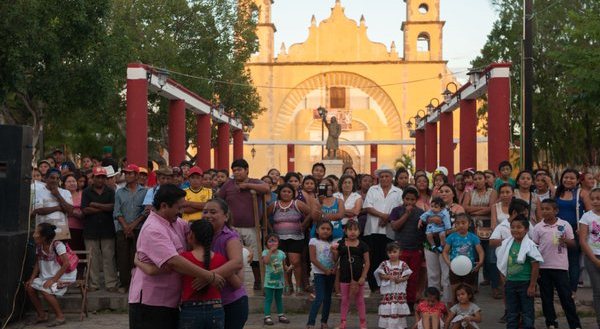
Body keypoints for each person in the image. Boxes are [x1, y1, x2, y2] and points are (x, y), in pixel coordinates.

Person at [129, 185, 225, 329]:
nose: (182, 212)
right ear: (164, 206)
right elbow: (174, 261)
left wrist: (229, 233)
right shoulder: (153, 229)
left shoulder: (175, 222)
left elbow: (198, 232)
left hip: (170, 301)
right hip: (151, 302)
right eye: (179, 208)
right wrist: (209, 276)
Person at [218, 159, 270, 291]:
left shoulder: (255, 181)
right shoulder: (228, 185)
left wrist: (248, 186)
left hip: (252, 226)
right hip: (232, 227)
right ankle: (233, 280)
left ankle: (258, 281)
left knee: (256, 257)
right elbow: (218, 199)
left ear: (247, 170)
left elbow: (266, 188)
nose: (237, 173)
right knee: (232, 255)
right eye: (234, 170)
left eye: (239, 170)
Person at [531, 199, 582, 329]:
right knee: (546, 298)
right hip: (543, 267)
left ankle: (574, 324)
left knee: (566, 297)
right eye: (542, 209)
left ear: (556, 211)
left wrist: (565, 240)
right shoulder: (538, 227)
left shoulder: (564, 225)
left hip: (560, 267)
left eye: (548, 209)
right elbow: (534, 246)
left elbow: (573, 244)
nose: (544, 211)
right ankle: (551, 322)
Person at [204, 198, 248, 329]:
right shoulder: (201, 235)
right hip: (211, 301)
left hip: (232, 302)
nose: (208, 216)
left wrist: (206, 277)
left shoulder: (230, 237)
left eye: (213, 212)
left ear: (226, 216)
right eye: (205, 212)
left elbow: (237, 263)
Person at [495, 215, 543, 329]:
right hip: (511, 283)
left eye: (519, 227)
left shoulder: (529, 245)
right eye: (512, 227)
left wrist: (532, 285)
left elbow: (535, 265)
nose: (515, 230)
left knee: (527, 313)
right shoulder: (507, 244)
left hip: (525, 283)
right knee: (511, 312)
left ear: (526, 230)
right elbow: (502, 262)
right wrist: (505, 281)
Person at [25, 223, 77, 327]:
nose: (34, 234)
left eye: (36, 232)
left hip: (62, 276)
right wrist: (31, 279)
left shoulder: (58, 245)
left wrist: (53, 280)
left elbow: (66, 264)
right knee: (29, 287)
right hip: (46, 276)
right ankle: (42, 315)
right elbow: (38, 263)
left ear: (43, 237)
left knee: (45, 290)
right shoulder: (39, 246)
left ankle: (60, 317)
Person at [363, 167, 402, 292]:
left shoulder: (398, 192)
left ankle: (386, 285)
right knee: (373, 258)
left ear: (391, 178)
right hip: (372, 229)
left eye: (387, 176)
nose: (384, 178)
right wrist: (383, 216)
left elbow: (400, 209)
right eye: (382, 176)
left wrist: (388, 218)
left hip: (389, 230)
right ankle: (374, 286)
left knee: (386, 257)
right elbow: (368, 207)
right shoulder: (372, 190)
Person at [268, 183, 310, 296]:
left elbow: (310, 213)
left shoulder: (297, 203)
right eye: (284, 191)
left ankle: (299, 286)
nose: (286, 193)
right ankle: (287, 285)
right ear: (279, 193)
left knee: (295, 262)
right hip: (279, 238)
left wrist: (304, 224)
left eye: (289, 192)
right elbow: (264, 217)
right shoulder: (274, 205)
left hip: (296, 237)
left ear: (293, 194)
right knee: (282, 262)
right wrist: (271, 229)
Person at [426, 184, 464, 304]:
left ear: (453, 194)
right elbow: (424, 221)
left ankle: (447, 304)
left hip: (448, 245)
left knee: (446, 276)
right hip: (430, 245)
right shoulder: (431, 207)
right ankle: (433, 303)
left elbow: (460, 227)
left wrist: (444, 229)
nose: (443, 193)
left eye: (447, 191)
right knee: (432, 276)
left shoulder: (458, 209)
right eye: (441, 191)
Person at [555, 169, 592, 294]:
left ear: (577, 181)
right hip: (558, 230)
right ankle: (560, 288)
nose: (568, 180)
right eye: (566, 177)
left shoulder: (582, 193)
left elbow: (590, 213)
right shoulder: (557, 192)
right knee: (557, 258)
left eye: (571, 178)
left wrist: (582, 228)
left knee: (573, 260)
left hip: (575, 230)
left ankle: (572, 290)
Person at [81, 166, 117, 292]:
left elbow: (113, 207)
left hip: (108, 229)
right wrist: (104, 208)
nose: (100, 180)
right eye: (98, 177)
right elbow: (85, 209)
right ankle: (93, 284)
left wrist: (95, 205)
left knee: (109, 257)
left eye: (103, 177)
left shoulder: (111, 191)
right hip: (90, 229)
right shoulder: (86, 191)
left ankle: (111, 284)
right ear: (93, 178)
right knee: (92, 258)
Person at [462, 171, 497, 294]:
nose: (477, 181)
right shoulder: (469, 193)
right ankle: (473, 285)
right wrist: (483, 209)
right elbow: (465, 208)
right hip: (473, 227)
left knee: (490, 257)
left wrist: (474, 211)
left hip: (488, 226)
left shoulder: (492, 192)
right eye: (475, 179)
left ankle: (495, 286)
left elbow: (492, 208)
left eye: (480, 178)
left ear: (485, 180)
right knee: (474, 255)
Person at [113, 164, 147, 292]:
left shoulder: (145, 191)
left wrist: (132, 226)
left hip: (139, 229)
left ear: (137, 175)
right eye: (126, 173)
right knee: (122, 257)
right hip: (122, 229)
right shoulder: (119, 192)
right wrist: (126, 227)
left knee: (137, 256)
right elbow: (117, 212)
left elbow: (145, 212)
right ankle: (124, 284)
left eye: (130, 173)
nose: (127, 176)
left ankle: (137, 283)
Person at [390, 187, 425, 307]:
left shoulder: (421, 213)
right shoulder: (396, 210)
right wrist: (406, 214)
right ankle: (399, 302)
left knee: (413, 277)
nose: (409, 202)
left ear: (416, 200)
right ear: (403, 199)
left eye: (412, 200)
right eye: (407, 199)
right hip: (401, 250)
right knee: (399, 276)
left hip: (416, 249)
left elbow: (424, 231)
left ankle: (410, 303)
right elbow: (395, 226)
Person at [335, 220, 369, 329]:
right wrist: (333, 251)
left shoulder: (363, 245)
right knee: (345, 299)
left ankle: (363, 323)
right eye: (350, 230)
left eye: (355, 229)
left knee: (360, 300)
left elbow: (367, 262)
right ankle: (343, 322)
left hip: (358, 278)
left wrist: (363, 276)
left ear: (359, 231)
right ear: (345, 231)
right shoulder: (340, 243)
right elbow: (335, 260)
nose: (352, 232)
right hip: (344, 277)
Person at [442, 213, 484, 293]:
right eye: (457, 223)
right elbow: (445, 252)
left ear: (469, 224)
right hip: (454, 268)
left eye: (463, 223)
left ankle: (468, 305)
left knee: (468, 291)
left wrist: (480, 262)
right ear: (455, 224)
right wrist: (448, 263)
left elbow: (480, 251)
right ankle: (454, 304)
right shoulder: (451, 237)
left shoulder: (473, 237)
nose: (461, 225)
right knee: (455, 290)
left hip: (469, 269)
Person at [306, 221, 337, 329]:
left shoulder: (332, 243)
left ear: (331, 232)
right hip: (319, 274)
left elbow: (335, 260)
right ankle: (310, 323)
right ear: (317, 230)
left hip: (330, 274)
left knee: (328, 298)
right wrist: (325, 270)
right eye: (323, 228)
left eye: (328, 229)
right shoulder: (313, 241)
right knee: (319, 297)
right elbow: (313, 259)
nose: (325, 231)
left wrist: (334, 253)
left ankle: (324, 322)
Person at [375, 242, 412, 329]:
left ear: (400, 252)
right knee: (388, 309)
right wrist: (388, 276)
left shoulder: (403, 264)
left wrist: (400, 280)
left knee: (398, 308)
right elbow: (379, 274)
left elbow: (407, 275)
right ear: (387, 253)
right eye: (390, 252)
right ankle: (388, 326)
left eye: (394, 252)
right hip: (388, 291)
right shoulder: (384, 264)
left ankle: (399, 326)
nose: (392, 254)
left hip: (398, 291)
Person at [31, 169, 73, 241]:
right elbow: (39, 211)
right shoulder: (38, 191)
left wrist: (58, 195)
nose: (55, 180)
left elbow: (70, 211)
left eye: (57, 178)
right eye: (52, 178)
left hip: (61, 235)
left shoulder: (65, 192)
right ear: (46, 179)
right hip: (43, 236)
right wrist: (59, 208)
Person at [579, 187, 600, 329]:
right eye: (592, 199)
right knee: (598, 291)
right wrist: (595, 260)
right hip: (592, 257)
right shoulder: (586, 216)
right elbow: (582, 240)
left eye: (598, 198)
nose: (595, 201)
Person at [261, 233, 291, 326]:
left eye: (275, 241)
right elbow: (265, 262)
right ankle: (267, 317)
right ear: (266, 243)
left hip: (279, 281)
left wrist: (289, 268)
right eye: (270, 241)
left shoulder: (282, 253)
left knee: (279, 298)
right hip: (269, 280)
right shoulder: (265, 252)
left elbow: (284, 267)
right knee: (268, 299)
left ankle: (281, 315)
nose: (273, 243)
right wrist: (270, 251)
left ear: (278, 243)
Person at [62, 174, 85, 255]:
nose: (72, 183)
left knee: (79, 253)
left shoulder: (83, 194)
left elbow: (84, 210)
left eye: (74, 181)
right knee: (67, 253)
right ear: (64, 184)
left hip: (80, 228)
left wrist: (70, 211)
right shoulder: (61, 195)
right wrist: (75, 211)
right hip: (65, 228)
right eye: (69, 181)